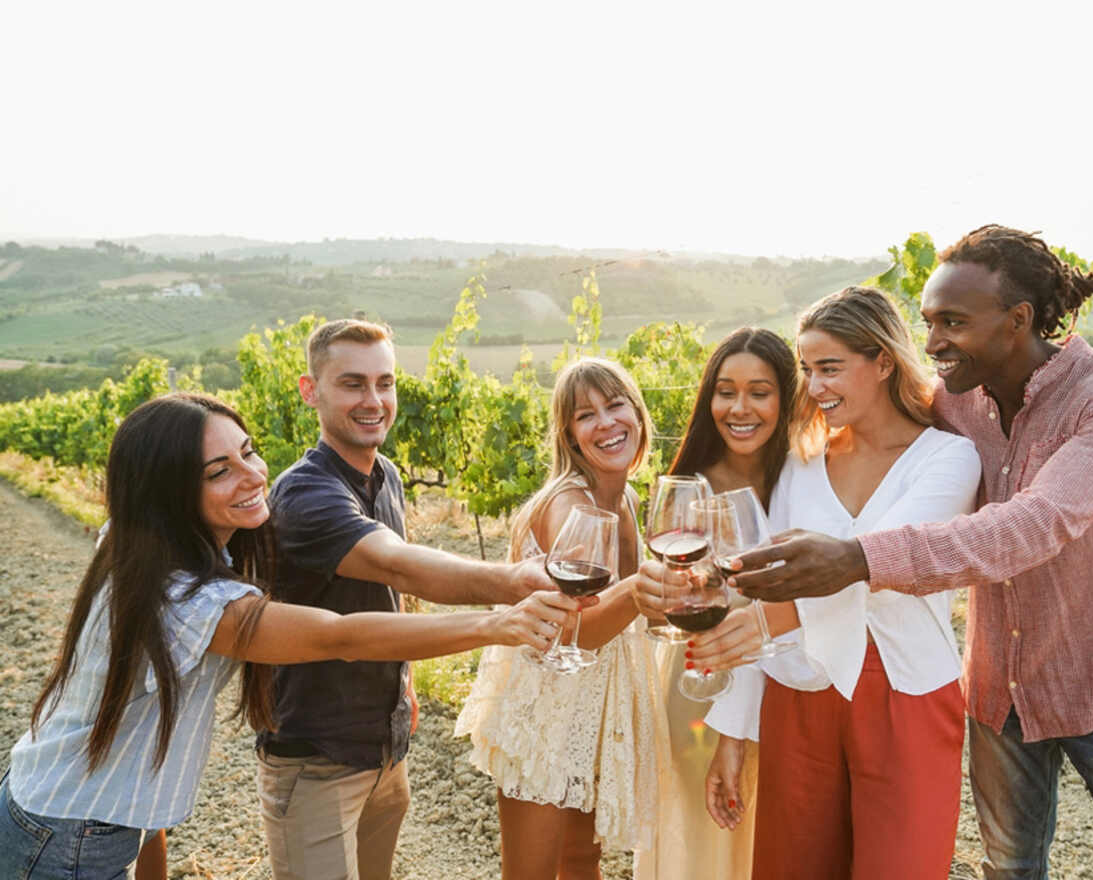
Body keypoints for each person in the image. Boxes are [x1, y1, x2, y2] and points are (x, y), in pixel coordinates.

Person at [730, 225, 1093, 878]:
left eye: (952, 322)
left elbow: (1033, 526)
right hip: (999, 688)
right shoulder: (953, 404)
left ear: (1018, 320)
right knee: (1008, 869)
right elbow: (876, 419)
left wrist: (855, 558)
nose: (933, 342)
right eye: (927, 321)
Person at [0, 392, 576, 880]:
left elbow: (142, 752)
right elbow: (340, 636)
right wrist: (497, 622)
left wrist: (504, 584)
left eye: (247, 452)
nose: (253, 475)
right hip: (66, 831)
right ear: (167, 493)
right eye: (218, 471)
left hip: (62, 807)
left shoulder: (141, 545)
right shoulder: (188, 600)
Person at [691, 289, 980, 879]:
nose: (815, 386)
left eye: (830, 368)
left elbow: (874, 566)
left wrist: (767, 620)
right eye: (806, 369)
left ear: (882, 361)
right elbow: (760, 586)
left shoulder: (949, 460)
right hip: (801, 694)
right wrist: (731, 731)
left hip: (908, 697)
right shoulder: (800, 460)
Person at [256, 318, 558, 880]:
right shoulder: (305, 494)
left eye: (385, 383)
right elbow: (399, 566)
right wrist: (513, 580)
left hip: (383, 747)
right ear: (309, 389)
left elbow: (389, 592)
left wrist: (406, 686)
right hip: (317, 755)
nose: (374, 401)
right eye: (352, 384)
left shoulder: (386, 475)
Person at [456, 357, 670, 880]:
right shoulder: (568, 505)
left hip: (594, 707)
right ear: (571, 437)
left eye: (616, 405)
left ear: (638, 416)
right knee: (533, 871)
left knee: (581, 861)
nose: (605, 422)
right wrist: (646, 592)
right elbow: (577, 630)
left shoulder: (629, 499)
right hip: (545, 708)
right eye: (585, 415)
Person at [631, 327, 798, 880]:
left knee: (772, 838)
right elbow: (659, 606)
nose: (739, 407)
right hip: (702, 680)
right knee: (702, 834)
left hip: (792, 688)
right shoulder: (690, 488)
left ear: (786, 397)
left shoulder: (807, 478)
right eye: (725, 391)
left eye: (759, 391)